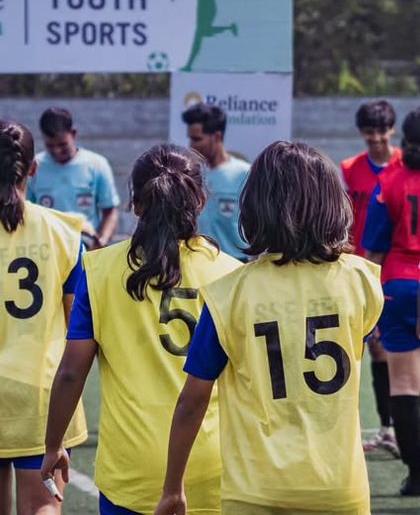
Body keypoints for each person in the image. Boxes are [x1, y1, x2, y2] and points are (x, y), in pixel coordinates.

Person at [155, 141, 384, 515]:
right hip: (339, 488)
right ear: (334, 203)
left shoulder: (230, 292)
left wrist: (172, 488)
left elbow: (192, 401)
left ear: (255, 207)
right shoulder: (361, 280)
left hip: (256, 490)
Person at [41, 145, 240, 514]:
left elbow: (71, 373)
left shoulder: (98, 269)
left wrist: (54, 444)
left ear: (134, 204)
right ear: (199, 200)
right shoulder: (230, 273)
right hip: (212, 464)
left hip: (130, 470)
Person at [0, 121, 87, 515]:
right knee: (42, 508)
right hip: (41, 394)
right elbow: (76, 329)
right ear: (32, 168)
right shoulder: (65, 233)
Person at [363, 108, 420, 496]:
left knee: (404, 382)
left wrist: (367, 307)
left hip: (400, 285)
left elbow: (373, 253)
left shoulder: (390, 182)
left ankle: (417, 476)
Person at [341, 100, 401, 455]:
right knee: (357, 347)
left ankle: (390, 427)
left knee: (387, 351)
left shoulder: (404, 166)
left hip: (393, 269)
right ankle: (364, 429)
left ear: (391, 131)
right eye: (369, 133)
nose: (376, 139)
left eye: (381, 131)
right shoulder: (349, 169)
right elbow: (345, 216)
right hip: (357, 267)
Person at [27, 107, 120, 249]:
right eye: (50, 146)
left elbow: (110, 212)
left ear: (73, 134)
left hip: (85, 250)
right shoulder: (34, 167)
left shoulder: (96, 164)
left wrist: (101, 241)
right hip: (48, 251)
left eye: (62, 145)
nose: (57, 151)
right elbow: (26, 212)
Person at [182, 102, 250, 261]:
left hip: (235, 265)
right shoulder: (189, 174)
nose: (191, 145)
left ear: (217, 137)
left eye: (197, 139)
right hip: (197, 263)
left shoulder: (244, 174)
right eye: (190, 139)